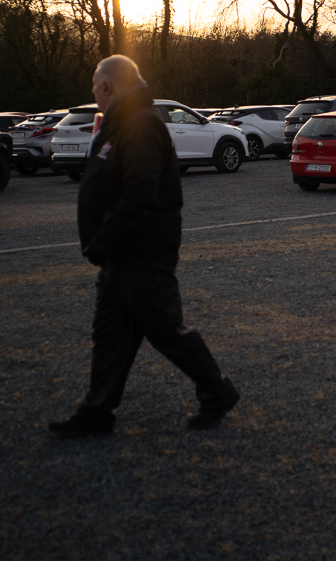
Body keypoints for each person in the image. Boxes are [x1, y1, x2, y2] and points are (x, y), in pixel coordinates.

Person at [49, 55, 239, 438]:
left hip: (142, 252)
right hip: (123, 253)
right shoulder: (122, 122)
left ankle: (217, 392)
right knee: (110, 333)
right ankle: (97, 411)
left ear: (108, 87)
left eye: (94, 84)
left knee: (165, 330)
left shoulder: (138, 125)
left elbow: (140, 194)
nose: (92, 91)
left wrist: (104, 240)